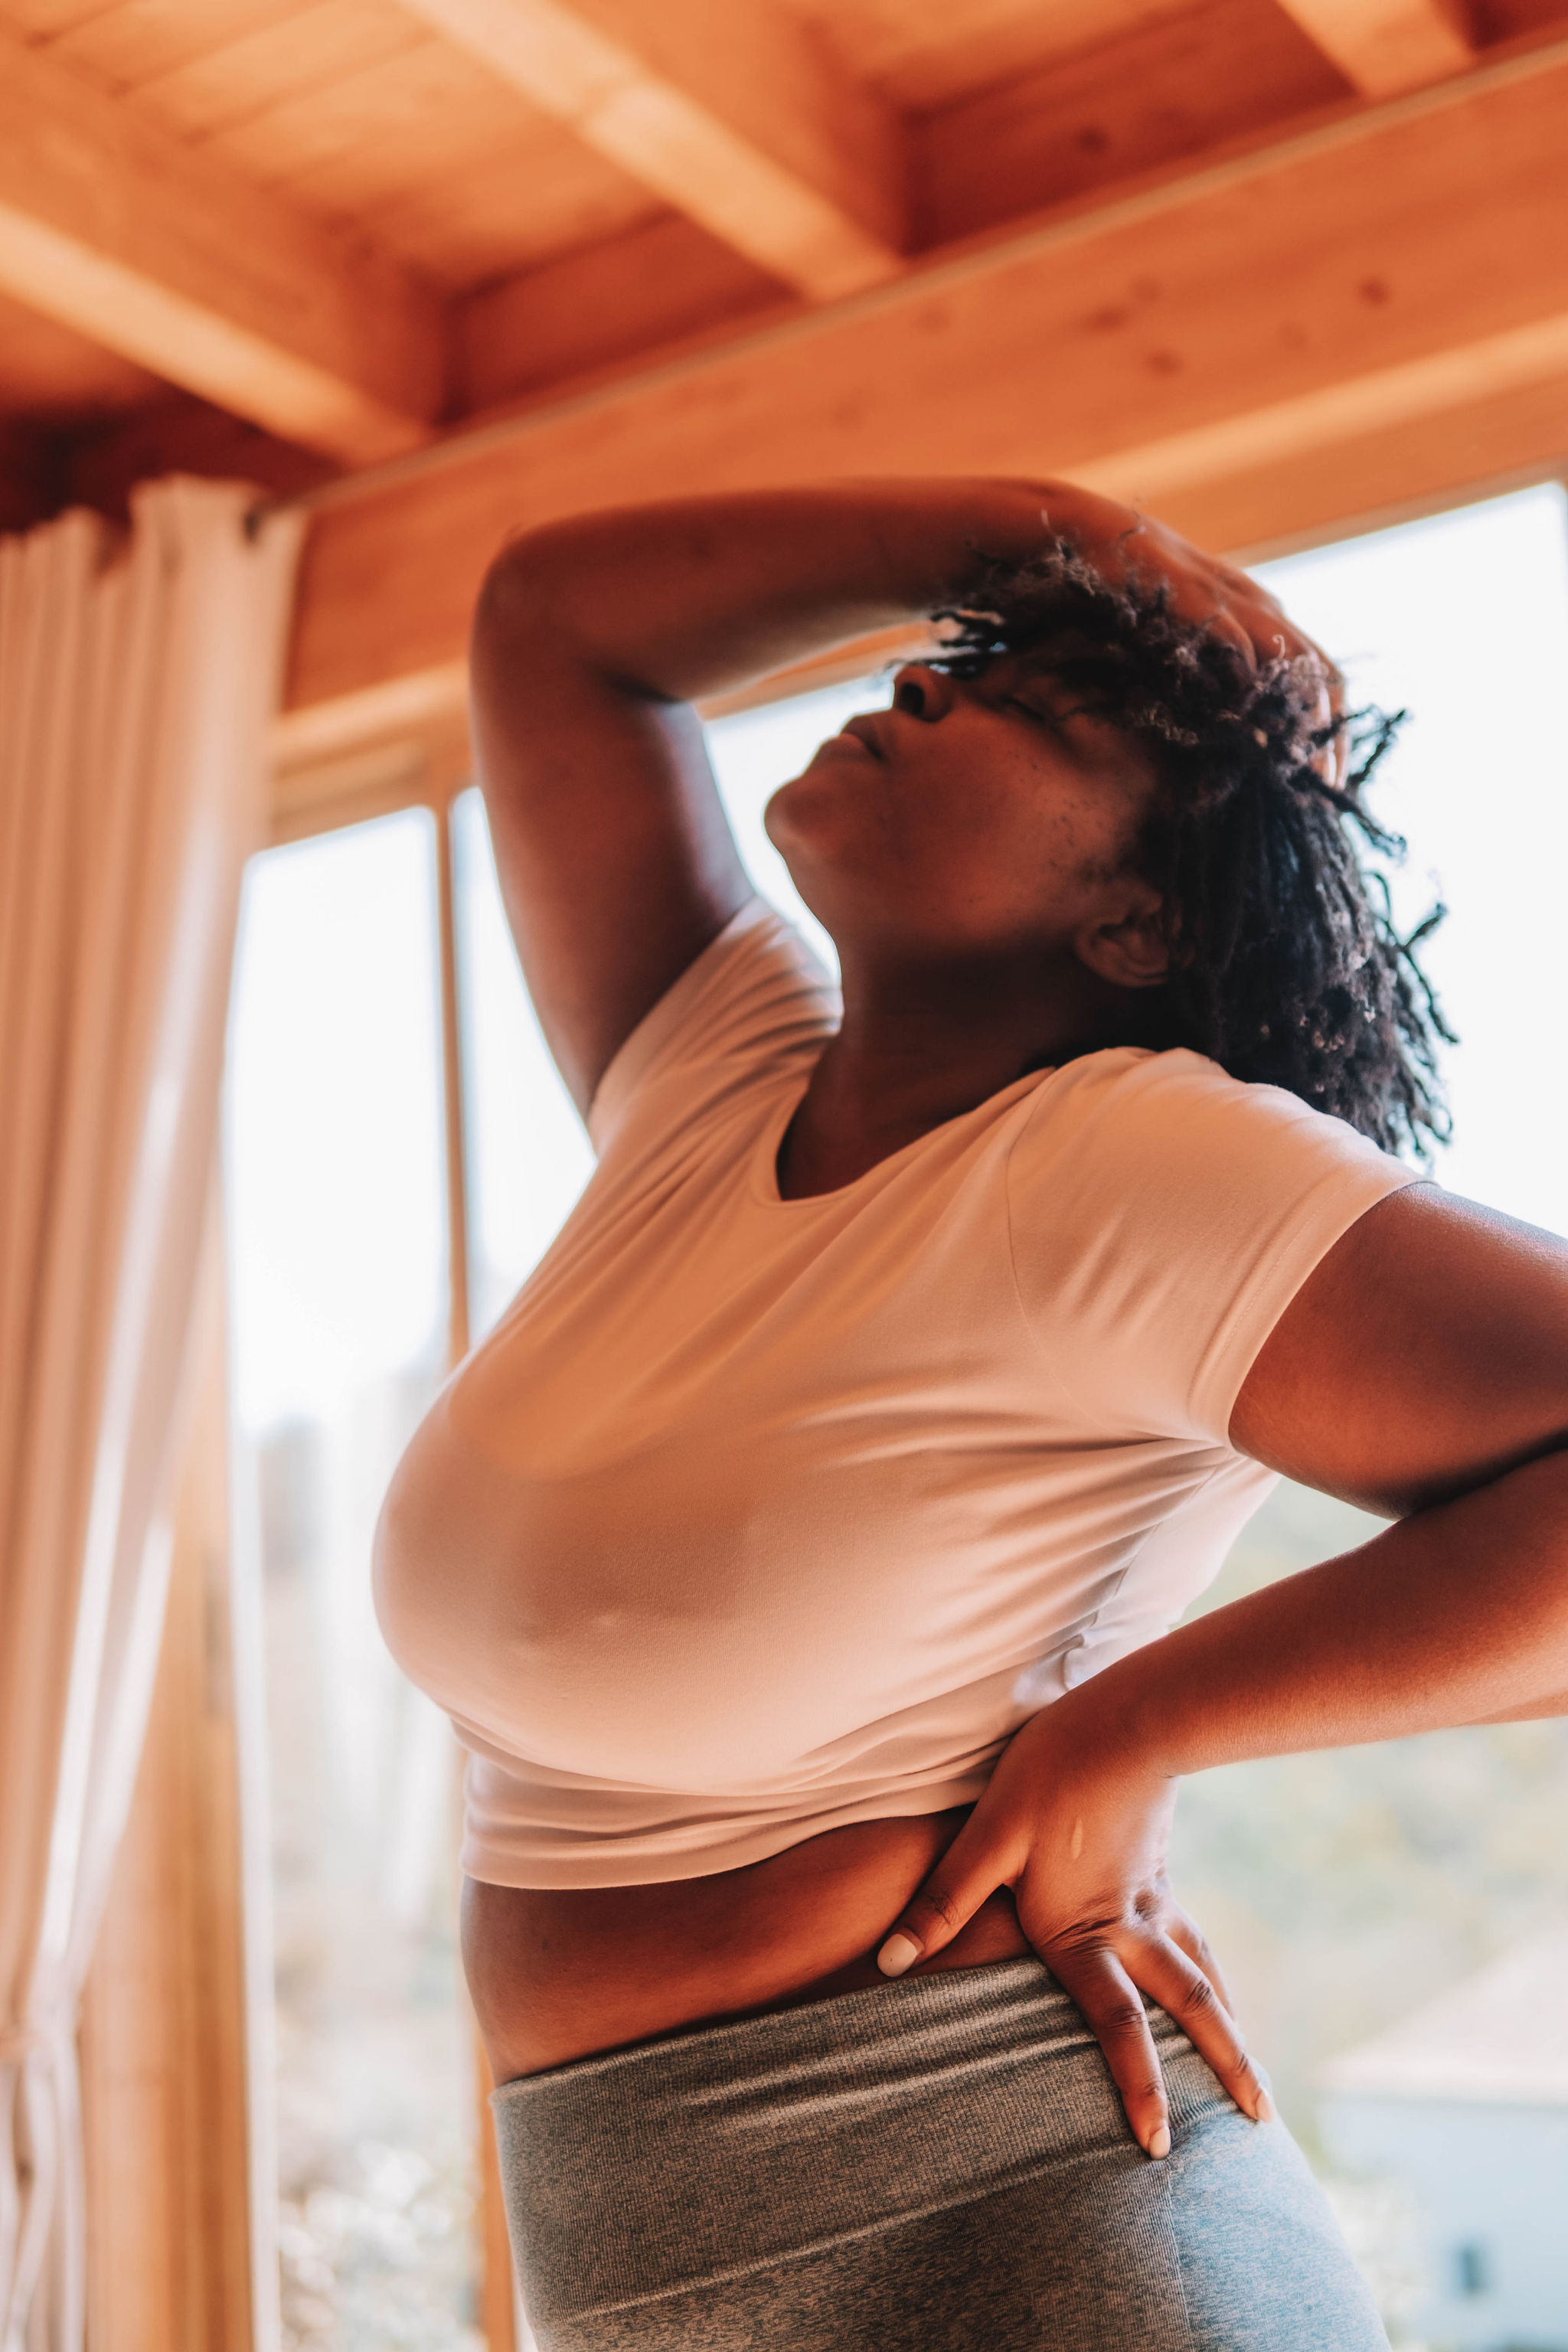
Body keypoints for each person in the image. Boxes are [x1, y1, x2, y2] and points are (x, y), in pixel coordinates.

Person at [373, 480, 1568, 2351]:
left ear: (1134, 923)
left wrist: (1139, 1721)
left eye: (1039, 703)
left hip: (1010, 2210)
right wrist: (1046, 533)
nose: (933, 688)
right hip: (640, 2235)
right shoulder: (714, 1071)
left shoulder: (1126, 1162)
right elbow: (554, 626)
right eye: (962, 654)